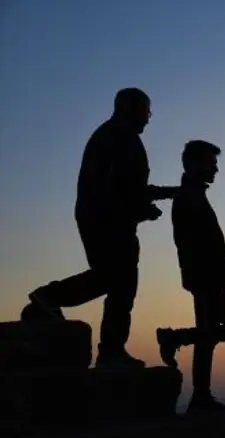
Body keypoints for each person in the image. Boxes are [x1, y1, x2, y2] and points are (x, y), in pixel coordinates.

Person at [25, 87, 177, 368]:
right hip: (107, 220)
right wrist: (143, 208)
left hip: (104, 218)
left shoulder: (113, 135)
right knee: (119, 281)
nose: (149, 118)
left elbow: (131, 188)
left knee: (113, 278)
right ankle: (103, 344)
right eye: (146, 111)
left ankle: (105, 344)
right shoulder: (120, 137)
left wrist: (168, 194)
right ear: (129, 109)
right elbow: (120, 188)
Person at [155, 140, 225, 414]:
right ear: (194, 164)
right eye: (211, 163)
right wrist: (204, 276)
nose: (216, 169)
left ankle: (176, 340)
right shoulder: (189, 196)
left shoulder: (192, 194)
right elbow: (190, 242)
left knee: (218, 332)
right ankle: (200, 397)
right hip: (206, 277)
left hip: (207, 276)